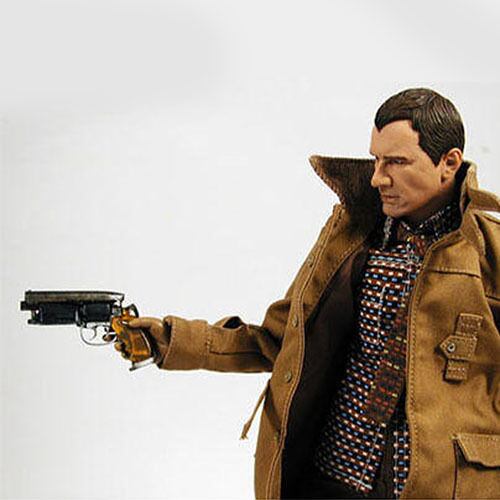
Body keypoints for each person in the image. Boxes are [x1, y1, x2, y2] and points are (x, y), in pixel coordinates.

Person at [115, 88, 500, 499]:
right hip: (334, 472)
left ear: (449, 163)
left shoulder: (488, 253)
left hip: (438, 484)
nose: (378, 178)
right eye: (375, 160)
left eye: (397, 162)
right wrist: (170, 341)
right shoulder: (352, 237)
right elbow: (280, 340)